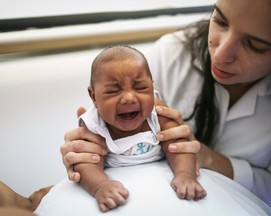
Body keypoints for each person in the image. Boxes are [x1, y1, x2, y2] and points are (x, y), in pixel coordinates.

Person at [61, 0, 271, 212]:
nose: (220, 54)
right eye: (219, 21)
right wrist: (85, 162)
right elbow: (87, 164)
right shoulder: (172, 53)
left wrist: (199, 163)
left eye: (255, 45)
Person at [74, 45, 206, 212]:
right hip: (118, 183)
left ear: (152, 87)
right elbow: (87, 163)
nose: (129, 98)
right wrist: (101, 186)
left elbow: (178, 145)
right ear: (93, 96)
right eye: (114, 91)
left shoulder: (157, 112)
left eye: (140, 88)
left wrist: (185, 174)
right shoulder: (94, 124)